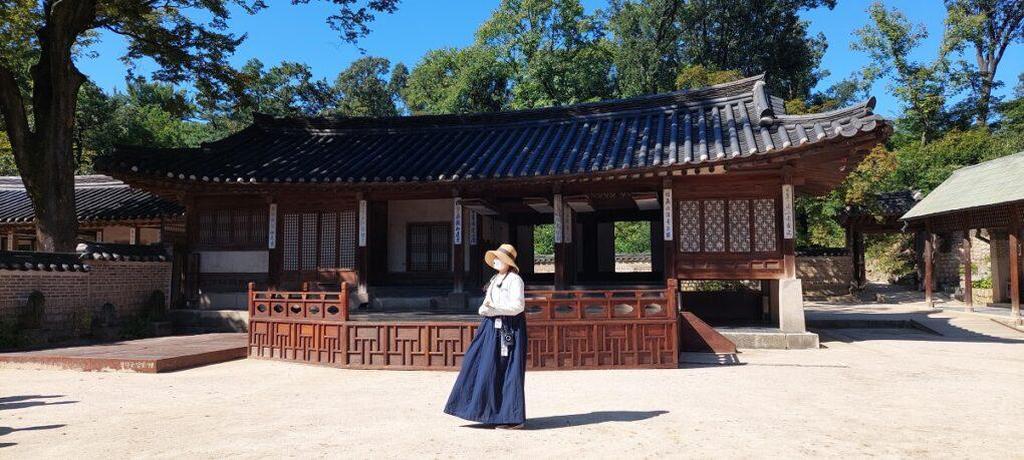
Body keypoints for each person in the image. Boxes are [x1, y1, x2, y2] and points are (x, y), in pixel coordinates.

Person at [443, 243, 527, 429]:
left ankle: (512, 417)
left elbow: (518, 307)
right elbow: (487, 302)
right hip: (490, 326)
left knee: (508, 370)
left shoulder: (515, 280)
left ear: (509, 262)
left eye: (500, 258)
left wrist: (496, 310)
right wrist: (484, 308)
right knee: (479, 362)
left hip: (509, 327)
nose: (496, 261)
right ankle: (483, 411)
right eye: (495, 258)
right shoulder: (494, 279)